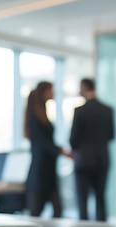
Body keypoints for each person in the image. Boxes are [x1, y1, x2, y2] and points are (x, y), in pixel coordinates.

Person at [69, 78, 115, 221]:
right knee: (100, 197)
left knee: (82, 200)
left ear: (84, 87)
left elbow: (73, 139)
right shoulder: (108, 110)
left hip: (83, 160)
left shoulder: (80, 111)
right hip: (102, 158)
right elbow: (111, 135)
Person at [24, 81, 71, 218]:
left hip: (48, 167)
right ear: (44, 92)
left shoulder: (42, 113)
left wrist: (59, 150)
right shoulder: (34, 114)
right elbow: (42, 142)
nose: (53, 93)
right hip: (41, 168)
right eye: (51, 90)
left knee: (56, 208)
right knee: (37, 210)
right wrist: (60, 151)